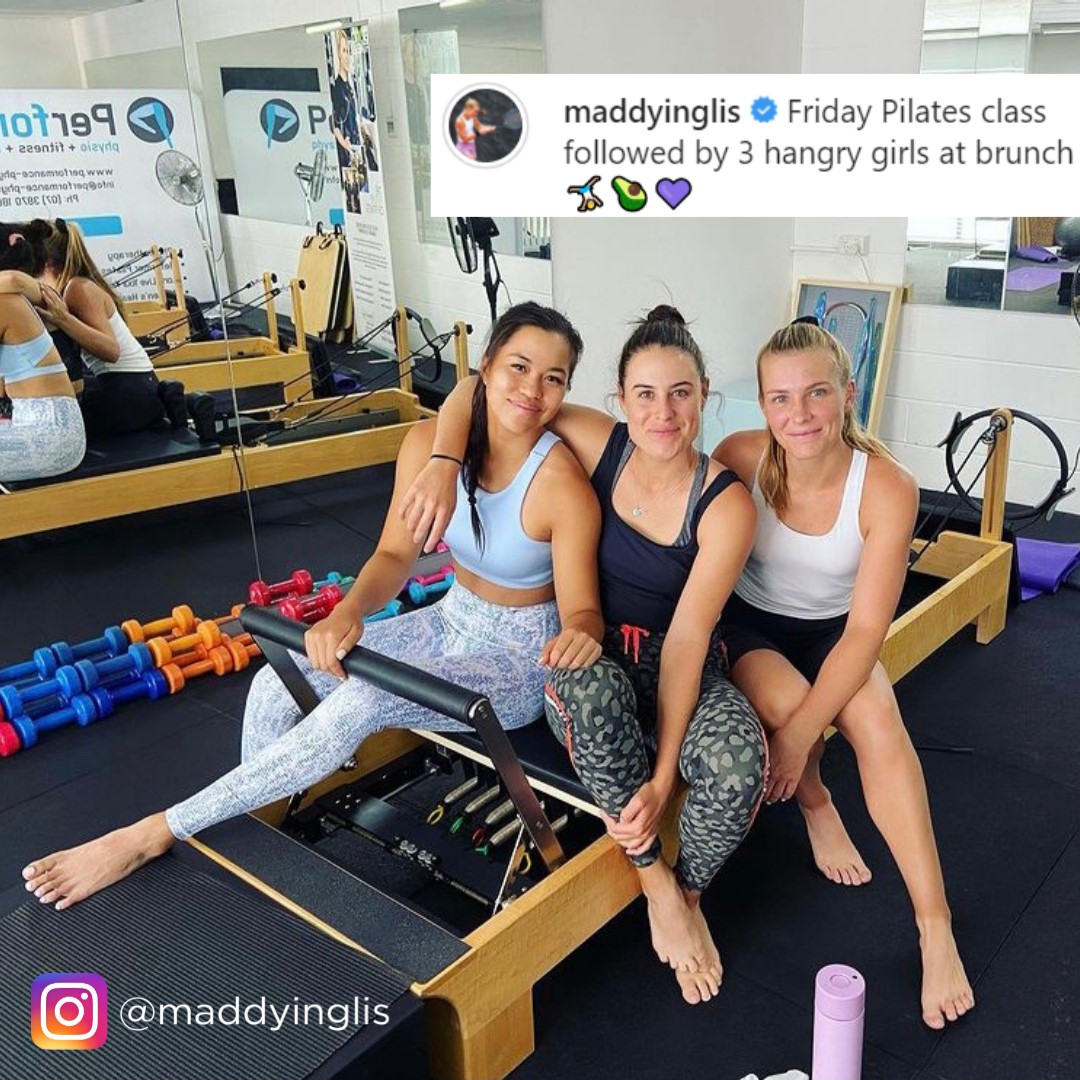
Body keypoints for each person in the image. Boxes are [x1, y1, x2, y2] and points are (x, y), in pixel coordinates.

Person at [21, 301, 604, 909]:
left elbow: (583, 612)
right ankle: (261, 837)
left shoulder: (561, 485)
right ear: (485, 367)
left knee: (366, 698)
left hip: (517, 659)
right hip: (449, 620)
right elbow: (393, 556)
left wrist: (582, 633)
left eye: (554, 378)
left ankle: (154, 832)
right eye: (518, 367)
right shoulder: (427, 447)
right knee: (275, 682)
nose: (532, 390)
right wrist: (348, 612)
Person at [402, 305, 767, 1006]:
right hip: (595, 649)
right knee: (583, 688)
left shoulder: (725, 505)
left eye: (681, 393)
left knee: (740, 764)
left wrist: (664, 777)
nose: (663, 413)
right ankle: (652, 878)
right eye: (645, 394)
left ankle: (687, 894)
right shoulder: (603, 443)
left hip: (681, 661)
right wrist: (445, 463)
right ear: (619, 400)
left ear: (704, 393)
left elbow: (687, 640)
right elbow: (477, 388)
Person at [712, 317, 974, 1030]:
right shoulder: (738, 456)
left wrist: (799, 739)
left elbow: (864, 634)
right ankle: (819, 806)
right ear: (762, 404)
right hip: (750, 628)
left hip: (837, 633)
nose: (799, 414)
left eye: (817, 393)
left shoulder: (887, 486)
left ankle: (935, 925)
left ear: (848, 394)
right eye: (780, 398)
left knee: (880, 722)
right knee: (791, 702)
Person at [36, 220, 170, 437]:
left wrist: (63, 320)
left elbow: (111, 351)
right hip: (127, 387)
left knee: (48, 421)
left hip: (130, 392)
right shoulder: (69, 287)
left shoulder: (78, 288)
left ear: (45, 260)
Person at [0, 223, 85, 483]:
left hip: (49, 437)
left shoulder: (6, 302)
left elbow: (12, 280)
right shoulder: (13, 297)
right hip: (39, 428)